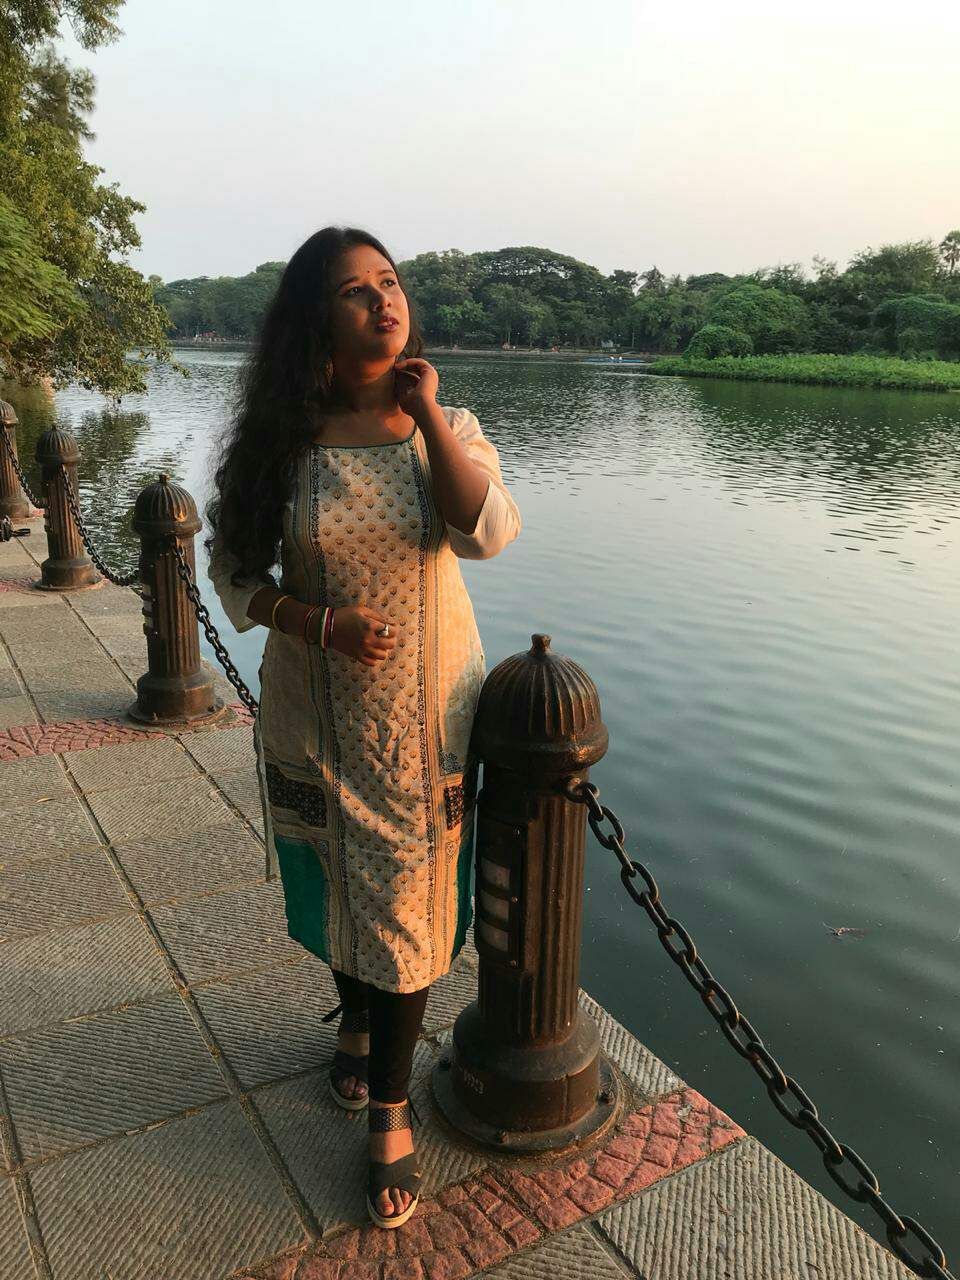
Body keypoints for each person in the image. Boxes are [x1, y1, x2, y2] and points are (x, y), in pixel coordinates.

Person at [204, 226, 521, 1229]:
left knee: (410, 910)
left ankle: (389, 1111)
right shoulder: (279, 443)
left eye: (390, 283)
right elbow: (236, 574)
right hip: (313, 709)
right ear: (316, 323)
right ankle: (353, 1021)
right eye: (355, 292)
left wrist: (425, 413)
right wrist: (315, 620)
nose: (384, 302)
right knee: (341, 878)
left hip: (426, 719)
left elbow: (486, 529)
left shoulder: (448, 420)